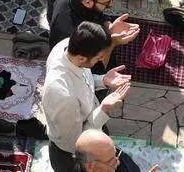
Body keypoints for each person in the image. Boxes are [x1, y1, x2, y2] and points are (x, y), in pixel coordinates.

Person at [40, 21, 131, 172]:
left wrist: (102, 80)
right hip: (73, 158)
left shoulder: (66, 47)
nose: (101, 60)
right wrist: (103, 109)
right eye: (98, 57)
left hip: (90, 123)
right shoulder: (64, 97)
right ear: (82, 58)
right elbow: (76, 143)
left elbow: (82, 79)